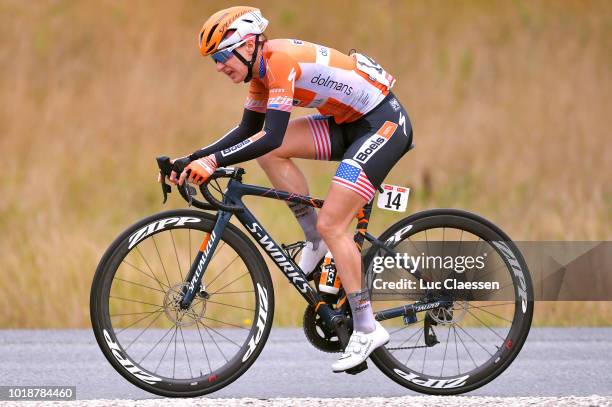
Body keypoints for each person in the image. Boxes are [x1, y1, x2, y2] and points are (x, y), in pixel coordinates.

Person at [165, 6, 413, 372]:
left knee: (334, 223)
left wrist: (213, 163)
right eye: (213, 60)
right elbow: (248, 130)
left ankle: (366, 327)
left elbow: (272, 133)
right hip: (347, 122)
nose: (218, 66)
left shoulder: (279, 63)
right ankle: (315, 240)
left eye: (221, 56)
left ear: (248, 45)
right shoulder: (259, 73)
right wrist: (194, 157)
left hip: (383, 125)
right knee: (274, 156)